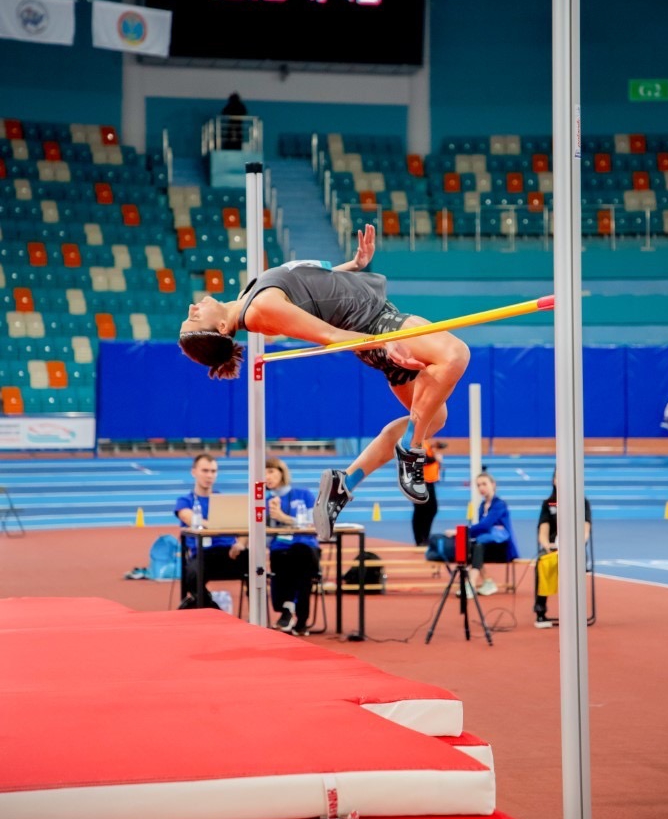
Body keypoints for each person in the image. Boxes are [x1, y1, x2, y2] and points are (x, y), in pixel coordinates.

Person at [178, 224, 470, 542]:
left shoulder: (248, 297)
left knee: (434, 416)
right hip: (373, 326)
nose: (192, 307)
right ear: (222, 327)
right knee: (455, 354)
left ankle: (345, 482)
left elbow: (310, 288)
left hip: (372, 327)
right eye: (194, 317)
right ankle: (411, 450)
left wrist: (354, 266)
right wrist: (382, 342)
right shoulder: (260, 309)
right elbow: (329, 336)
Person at [174, 453, 248, 610]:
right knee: (191, 574)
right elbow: (188, 518)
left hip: (229, 553)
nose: (209, 475)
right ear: (194, 472)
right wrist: (217, 525)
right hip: (203, 554)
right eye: (205, 470)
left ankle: (258, 615)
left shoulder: (224, 501)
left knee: (256, 564)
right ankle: (213, 607)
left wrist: (241, 544)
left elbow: (243, 526)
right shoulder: (185, 501)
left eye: (213, 471)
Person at [265, 456, 321, 636]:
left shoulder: (304, 494)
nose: (267, 476)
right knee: (283, 558)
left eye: (271, 471)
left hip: (306, 547)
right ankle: (297, 617)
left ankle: (288, 611)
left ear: (282, 472)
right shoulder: (265, 501)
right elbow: (265, 539)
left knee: (300, 554)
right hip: (280, 550)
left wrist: (284, 518)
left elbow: (315, 524)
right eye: (263, 473)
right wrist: (270, 519)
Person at [444, 471, 519, 595]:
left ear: (493, 485)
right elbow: (481, 530)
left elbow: (485, 526)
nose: (481, 488)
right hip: (486, 546)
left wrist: (460, 531)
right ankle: (488, 582)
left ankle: (471, 584)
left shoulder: (500, 505)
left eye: (484, 484)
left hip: (502, 548)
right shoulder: (481, 506)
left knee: (478, 545)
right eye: (478, 485)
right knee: (472, 546)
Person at [534, 469, 592, 628]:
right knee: (542, 563)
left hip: (575, 551)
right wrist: (547, 546)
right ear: (554, 481)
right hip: (552, 551)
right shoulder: (549, 504)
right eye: (559, 478)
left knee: (573, 564)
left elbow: (585, 530)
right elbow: (543, 532)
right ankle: (540, 611)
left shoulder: (581, 502)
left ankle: (575, 612)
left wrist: (575, 546)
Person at [412, 439, 446, 546]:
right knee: (422, 510)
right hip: (420, 481)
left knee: (430, 510)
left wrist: (434, 449)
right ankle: (421, 539)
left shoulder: (425, 443)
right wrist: (435, 458)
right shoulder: (417, 441)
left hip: (428, 482)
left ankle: (424, 538)